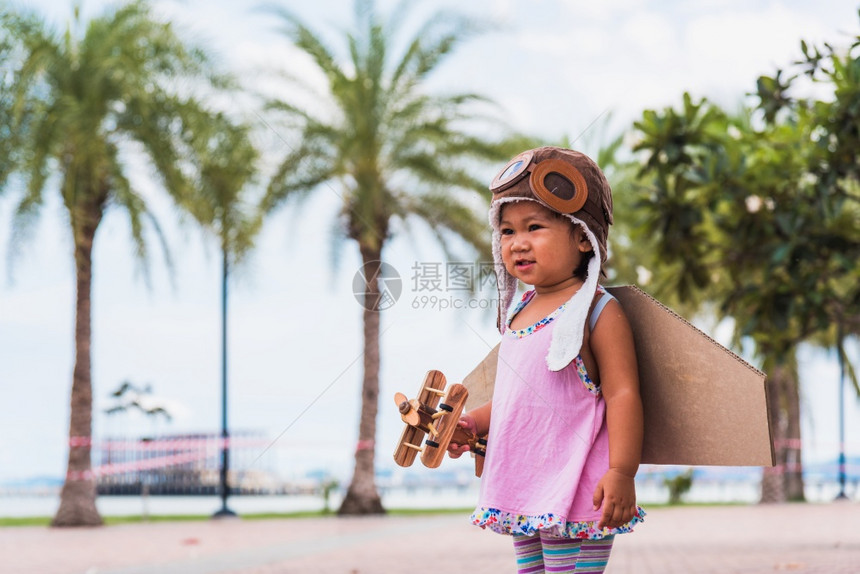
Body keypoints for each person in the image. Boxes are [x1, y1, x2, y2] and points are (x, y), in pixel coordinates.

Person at [449, 146, 645, 573]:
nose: (517, 242)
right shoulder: (519, 312)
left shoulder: (597, 310)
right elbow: (513, 398)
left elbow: (624, 392)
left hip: (579, 486)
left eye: (534, 227)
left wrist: (623, 471)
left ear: (581, 235)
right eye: (506, 231)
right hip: (525, 483)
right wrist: (473, 424)